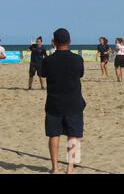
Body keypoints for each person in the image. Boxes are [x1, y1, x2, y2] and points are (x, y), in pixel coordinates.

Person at [40, 28, 85, 174]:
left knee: (54, 134)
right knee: (73, 135)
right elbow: (80, 74)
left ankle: (55, 167)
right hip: (73, 103)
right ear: (70, 42)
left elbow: (42, 73)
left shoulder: (48, 60)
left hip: (54, 103)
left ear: (54, 42)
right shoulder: (77, 59)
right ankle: (70, 168)